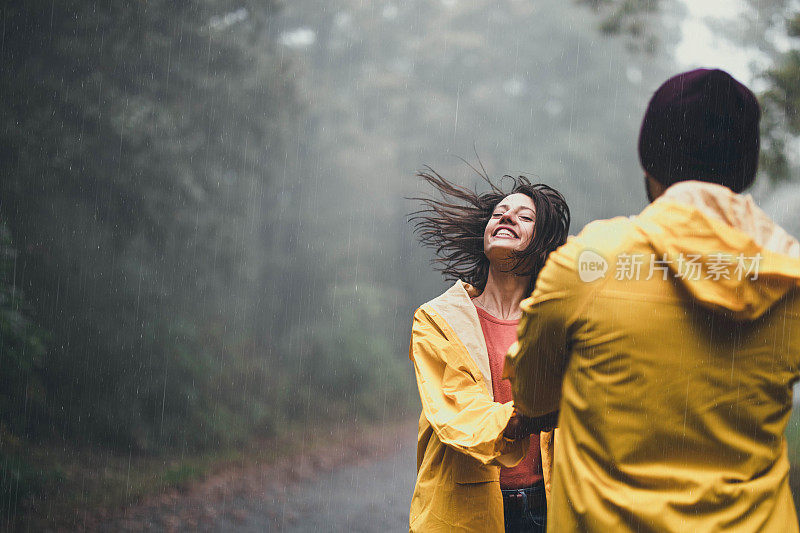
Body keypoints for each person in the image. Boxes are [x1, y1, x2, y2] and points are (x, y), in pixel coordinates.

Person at [505, 68, 800, 531]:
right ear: (745, 167)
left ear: (650, 163)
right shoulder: (788, 276)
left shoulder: (590, 264)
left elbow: (534, 396)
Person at [408, 168, 570, 532]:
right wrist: (526, 417)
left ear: (542, 241)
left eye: (524, 216)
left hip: (551, 508)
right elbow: (457, 410)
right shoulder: (438, 319)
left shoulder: (559, 320)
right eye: (499, 213)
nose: (507, 216)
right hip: (466, 510)